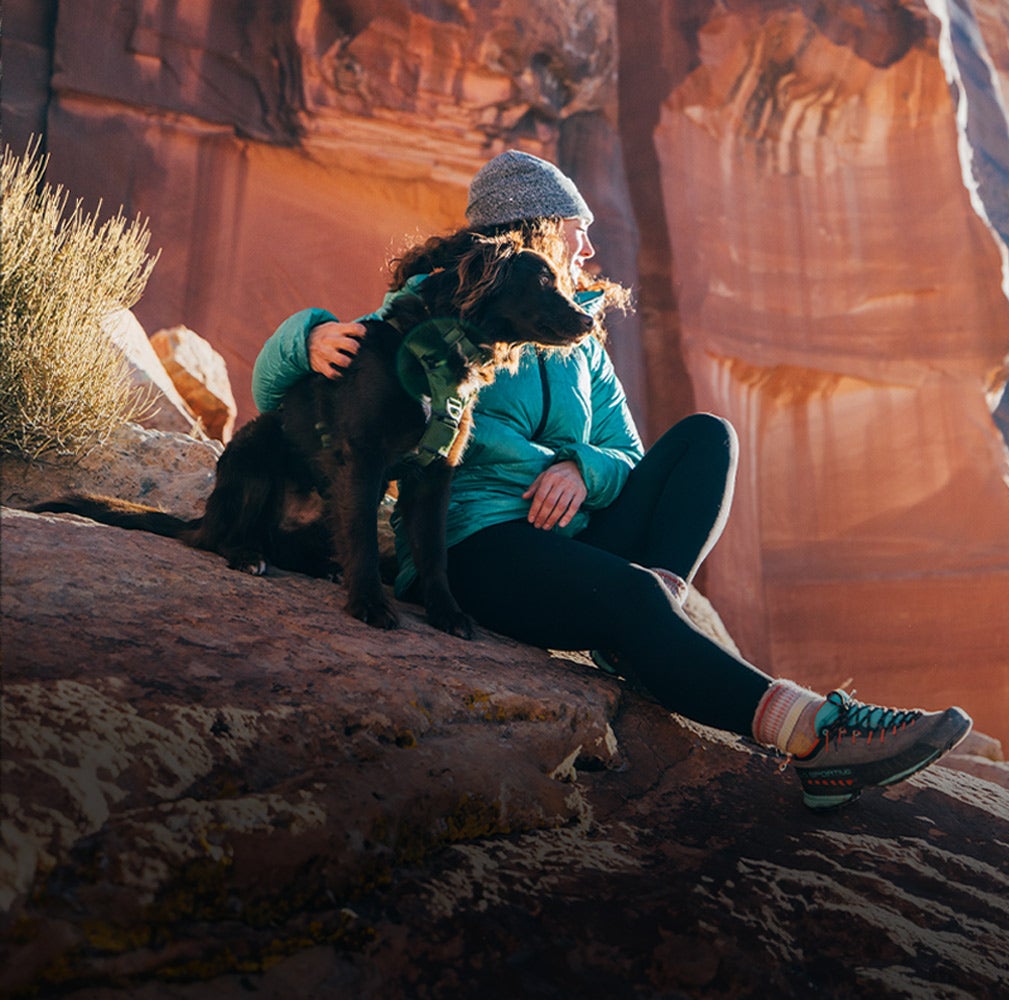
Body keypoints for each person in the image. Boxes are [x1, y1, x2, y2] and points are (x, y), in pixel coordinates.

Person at [253, 150, 970, 810]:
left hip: (576, 533)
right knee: (628, 592)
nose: (589, 250)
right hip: (477, 542)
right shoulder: (440, 306)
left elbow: (625, 450)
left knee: (705, 440)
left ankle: (639, 626)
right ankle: (818, 737)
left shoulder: (577, 334)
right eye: (576, 231)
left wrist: (582, 469)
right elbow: (295, 394)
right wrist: (307, 336)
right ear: (534, 232)